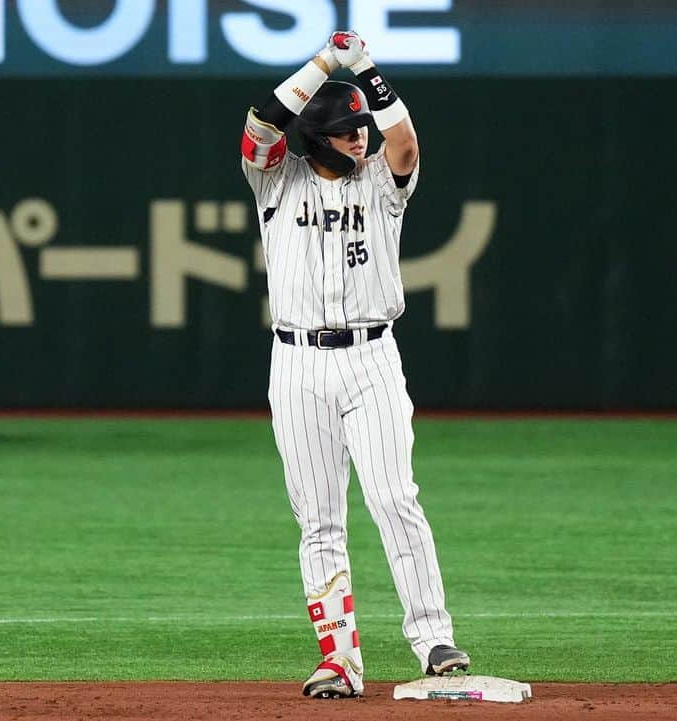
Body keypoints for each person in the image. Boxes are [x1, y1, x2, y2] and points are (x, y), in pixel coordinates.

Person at [239, 31, 469, 699]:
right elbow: (260, 125)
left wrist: (364, 70)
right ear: (315, 136)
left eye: (358, 127)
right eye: (343, 132)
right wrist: (321, 64)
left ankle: (433, 637)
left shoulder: (381, 179)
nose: (358, 138)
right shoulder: (275, 180)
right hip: (298, 362)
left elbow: (405, 145)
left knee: (395, 497)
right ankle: (339, 659)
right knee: (319, 517)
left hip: (372, 355)